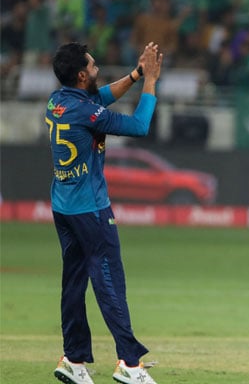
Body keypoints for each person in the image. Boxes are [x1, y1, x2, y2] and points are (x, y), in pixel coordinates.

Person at [47, 41, 163, 384]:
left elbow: (98, 100)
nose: (98, 70)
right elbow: (140, 126)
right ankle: (129, 364)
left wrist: (136, 74)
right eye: (94, 67)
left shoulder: (58, 101)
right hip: (91, 210)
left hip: (63, 206)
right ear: (83, 75)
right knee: (110, 281)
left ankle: (73, 358)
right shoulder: (86, 110)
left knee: (73, 281)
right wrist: (151, 81)